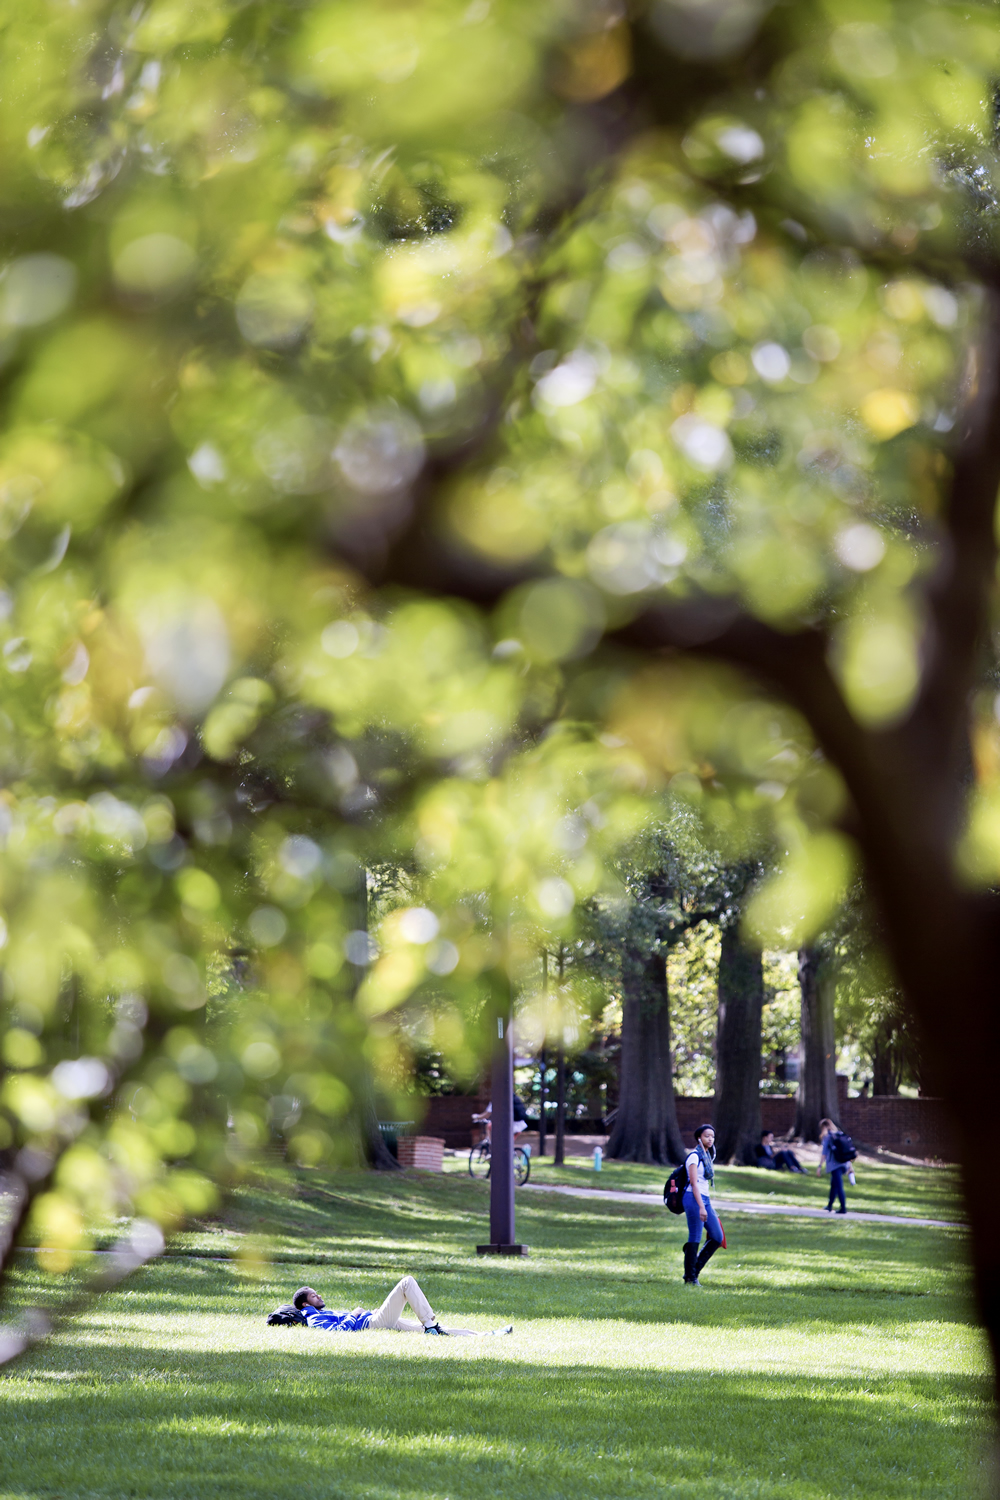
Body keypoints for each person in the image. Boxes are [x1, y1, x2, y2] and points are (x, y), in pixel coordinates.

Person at [292, 1278, 512, 1336]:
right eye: (313, 1295)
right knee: (407, 1282)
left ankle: (484, 1335)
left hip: (373, 1319)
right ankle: (429, 1324)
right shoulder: (311, 1316)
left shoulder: (320, 1312)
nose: (318, 1295)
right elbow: (336, 1332)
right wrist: (354, 1314)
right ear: (305, 1303)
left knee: (435, 1331)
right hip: (370, 1325)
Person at [682, 1123, 725, 1288]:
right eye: (707, 1136)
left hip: (704, 1199)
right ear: (699, 1137)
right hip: (693, 1198)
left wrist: (706, 1204)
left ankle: (693, 1271)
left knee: (717, 1237)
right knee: (695, 1236)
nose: (710, 1139)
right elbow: (694, 1184)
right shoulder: (694, 1156)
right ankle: (690, 1278)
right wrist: (701, 1207)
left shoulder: (707, 1156)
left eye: (712, 1136)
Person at [817, 1117, 851, 1213]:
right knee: (834, 1184)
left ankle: (843, 1208)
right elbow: (847, 1151)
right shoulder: (840, 1134)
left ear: (824, 1127)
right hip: (844, 1164)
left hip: (834, 1164)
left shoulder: (828, 1137)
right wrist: (850, 1166)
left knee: (839, 1186)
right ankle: (829, 1205)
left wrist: (819, 1166)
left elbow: (824, 1153)